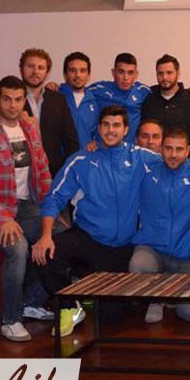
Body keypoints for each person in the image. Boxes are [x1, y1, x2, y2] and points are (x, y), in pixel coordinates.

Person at [32, 105, 157, 336]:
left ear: (126, 130)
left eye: (116, 125)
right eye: (106, 125)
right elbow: (54, 197)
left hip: (123, 247)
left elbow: (174, 160)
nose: (111, 130)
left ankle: (87, 285)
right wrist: (46, 235)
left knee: (110, 318)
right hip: (88, 239)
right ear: (98, 129)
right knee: (47, 254)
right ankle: (69, 307)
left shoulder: (141, 157)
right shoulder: (81, 160)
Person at [0, 76, 52, 341]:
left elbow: (43, 169)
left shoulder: (30, 128)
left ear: (24, 100)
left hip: (27, 206)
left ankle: (32, 301)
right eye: (7, 99)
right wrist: (2, 217)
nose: (13, 105)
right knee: (18, 247)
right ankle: (11, 319)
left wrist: (50, 209)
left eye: (18, 99)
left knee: (59, 234)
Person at [132, 127, 190, 324]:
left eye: (179, 149)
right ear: (161, 148)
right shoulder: (147, 166)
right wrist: (94, 146)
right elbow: (118, 147)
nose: (173, 155)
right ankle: (155, 299)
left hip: (185, 256)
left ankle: (171, 290)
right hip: (152, 248)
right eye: (168, 148)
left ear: (188, 150)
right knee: (139, 265)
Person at [0, 48, 78, 179]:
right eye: (30, 66)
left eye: (41, 67)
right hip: (15, 172)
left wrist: (64, 171)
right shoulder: (5, 99)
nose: (35, 71)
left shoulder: (59, 100)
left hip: (52, 173)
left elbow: (71, 142)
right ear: (21, 69)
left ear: (47, 72)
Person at [86, 52, 151, 143]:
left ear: (136, 74)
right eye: (121, 72)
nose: (125, 78)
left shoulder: (143, 91)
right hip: (103, 146)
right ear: (113, 72)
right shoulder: (98, 89)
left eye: (130, 73)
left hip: (130, 148)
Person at [140, 54, 190, 143]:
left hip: (180, 151)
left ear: (178, 73)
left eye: (169, 73)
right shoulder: (147, 98)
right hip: (152, 151)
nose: (164, 77)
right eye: (160, 73)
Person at [58, 51, 100, 149]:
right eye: (72, 70)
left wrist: (96, 143)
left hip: (86, 156)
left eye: (82, 70)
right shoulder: (55, 97)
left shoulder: (95, 101)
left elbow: (98, 133)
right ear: (65, 74)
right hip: (60, 158)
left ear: (88, 75)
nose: (78, 75)